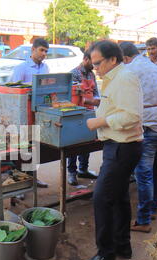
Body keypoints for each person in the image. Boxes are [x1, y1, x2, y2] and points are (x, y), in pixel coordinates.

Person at [81, 40, 143, 260]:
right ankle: (122, 246)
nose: (95, 68)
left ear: (113, 59)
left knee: (101, 198)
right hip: (117, 145)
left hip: (122, 147)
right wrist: (99, 108)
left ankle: (105, 253)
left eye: (98, 63)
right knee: (118, 197)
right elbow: (117, 106)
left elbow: (132, 116)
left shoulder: (124, 77)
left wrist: (100, 120)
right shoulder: (113, 78)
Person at [119, 42, 157, 233]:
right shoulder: (155, 66)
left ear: (125, 58)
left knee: (144, 175)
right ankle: (151, 209)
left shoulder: (130, 70)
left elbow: (125, 102)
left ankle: (143, 220)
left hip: (150, 129)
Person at [11, 37, 50, 188]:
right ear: (33, 50)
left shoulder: (45, 68)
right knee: (20, 149)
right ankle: (19, 184)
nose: (43, 54)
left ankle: (33, 179)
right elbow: (14, 91)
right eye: (41, 50)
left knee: (34, 147)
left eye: (46, 51)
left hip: (38, 113)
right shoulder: (21, 68)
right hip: (23, 115)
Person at [67, 49, 100, 186]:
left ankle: (83, 169)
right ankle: (72, 172)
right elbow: (72, 95)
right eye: (93, 61)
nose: (95, 65)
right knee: (74, 144)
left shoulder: (92, 74)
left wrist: (96, 101)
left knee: (87, 143)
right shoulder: (73, 73)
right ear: (86, 59)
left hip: (89, 112)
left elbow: (96, 92)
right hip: (76, 113)